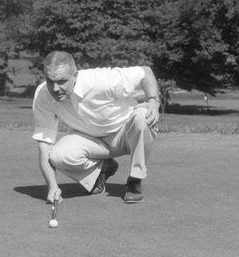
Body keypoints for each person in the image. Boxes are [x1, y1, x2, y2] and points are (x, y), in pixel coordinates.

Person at [32, 50, 160, 205]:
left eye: (62, 81)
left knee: (142, 117)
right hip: (93, 142)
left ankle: (135, 180)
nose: (55, 88)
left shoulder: (100, 80)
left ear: (75, 75)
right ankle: (102, 170)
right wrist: (52, 186)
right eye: (50, 81)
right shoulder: (43, 94)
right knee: (58, 155)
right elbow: (45, 145)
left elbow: (144, 72)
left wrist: (153, 100)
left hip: (125, 135)